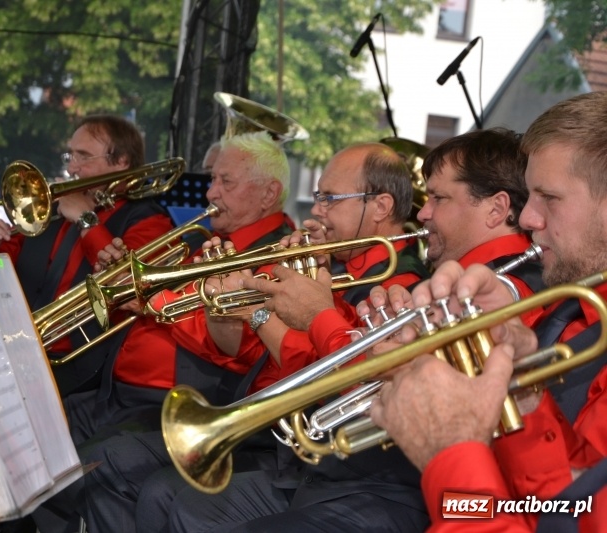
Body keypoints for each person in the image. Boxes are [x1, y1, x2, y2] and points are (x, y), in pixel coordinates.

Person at [160, 128, 547, 533]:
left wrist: (312, 314)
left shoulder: (503, 289)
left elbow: (376, 377)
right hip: (351, 475)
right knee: (180, 502)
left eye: (439, 198)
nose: (423, 213)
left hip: (391, 488)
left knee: (184, 505)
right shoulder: (464, 278)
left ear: (496, 209)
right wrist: (333, 307)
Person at [77, 142, 430, 533]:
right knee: (149, 485)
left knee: (163, 493)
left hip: (316, 454)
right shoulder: (335, 262)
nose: (316, 210)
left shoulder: (398, 286)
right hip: (273, 428)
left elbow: (326, 376)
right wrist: (225, 301)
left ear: (380, 206)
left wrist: (260, 311)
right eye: (317, 198)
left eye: (329, 199)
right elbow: (242, 349)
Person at [0, 114, 173, 532]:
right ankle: (0, 500)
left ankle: (20, 510)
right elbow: (10, 276)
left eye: (83, 156)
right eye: (70, 155)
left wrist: (87, 221)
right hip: (22, 349)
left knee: (4, 418)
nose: (71, 167)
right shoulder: (50, 214)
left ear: (121, 163)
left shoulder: (148, 220)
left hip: (83, 364)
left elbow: (126, 283)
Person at [31, 131, 297, 533]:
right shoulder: (210, 240)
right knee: (35, 439)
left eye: (225, 181)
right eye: (213, 179)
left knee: (84, 470)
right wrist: (124, 281)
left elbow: (236, 344)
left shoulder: (276, 252)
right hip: (121, 389)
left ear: (269, 193)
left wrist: (154, 301)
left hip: (189, 403)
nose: (211, 192)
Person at [371, 91, 607, 532]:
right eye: (530, 196)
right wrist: (520, 388)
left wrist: (450, 456)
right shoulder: (581, 308)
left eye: (549, 197)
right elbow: (559, 507)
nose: (528, 218)